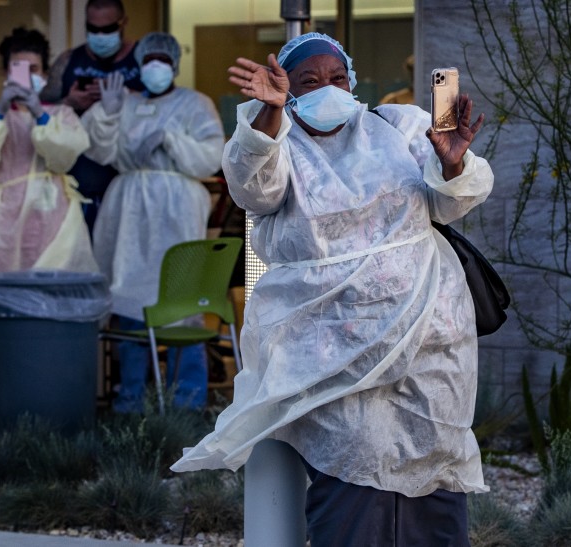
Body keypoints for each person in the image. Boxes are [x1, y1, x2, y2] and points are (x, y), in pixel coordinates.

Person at [171, 32, 494, 545]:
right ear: (287, 90)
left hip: (429, 341)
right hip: (330, 351)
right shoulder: (276, 144)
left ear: (353, 80)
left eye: (337, 77)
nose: (328, 88)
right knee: (354, 467)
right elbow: (252, 186)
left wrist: (453, 163)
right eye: (309, 81)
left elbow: (453, 202)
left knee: (433, 463)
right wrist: (269, 116)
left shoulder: (399, 125)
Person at [82, 32, 225, 413]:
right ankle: (130, 401)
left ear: (176, 63)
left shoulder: (195, 104)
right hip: (127, 209)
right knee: (128, 297)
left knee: (180, 298)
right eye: (149, 59)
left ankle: (187, 402)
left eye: (163, 58)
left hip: (177, 208)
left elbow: (211, 156)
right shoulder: (125, 103)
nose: (155, 66)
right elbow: (99, 148)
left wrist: (170, 138)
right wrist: (109, 112)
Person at [0, 27, 98, 306]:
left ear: (44, 74)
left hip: (51, 215)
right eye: (19, 68)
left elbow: (64, 157)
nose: (27, 75)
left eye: (34, 68)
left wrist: (40, 114)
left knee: (49, 294)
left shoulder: (62, 114)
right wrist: (0, 111)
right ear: (5, 73)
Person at [39, 0, 145, 230]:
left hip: (129, 171)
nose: (99, 35)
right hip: (80, 174)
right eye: (92, 29)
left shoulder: (142, 60)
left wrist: (125, 97)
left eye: (107, 29)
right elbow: (40, 108)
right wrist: (69, 102)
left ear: (123, 23)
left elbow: (165, 105)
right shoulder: (69, 61)